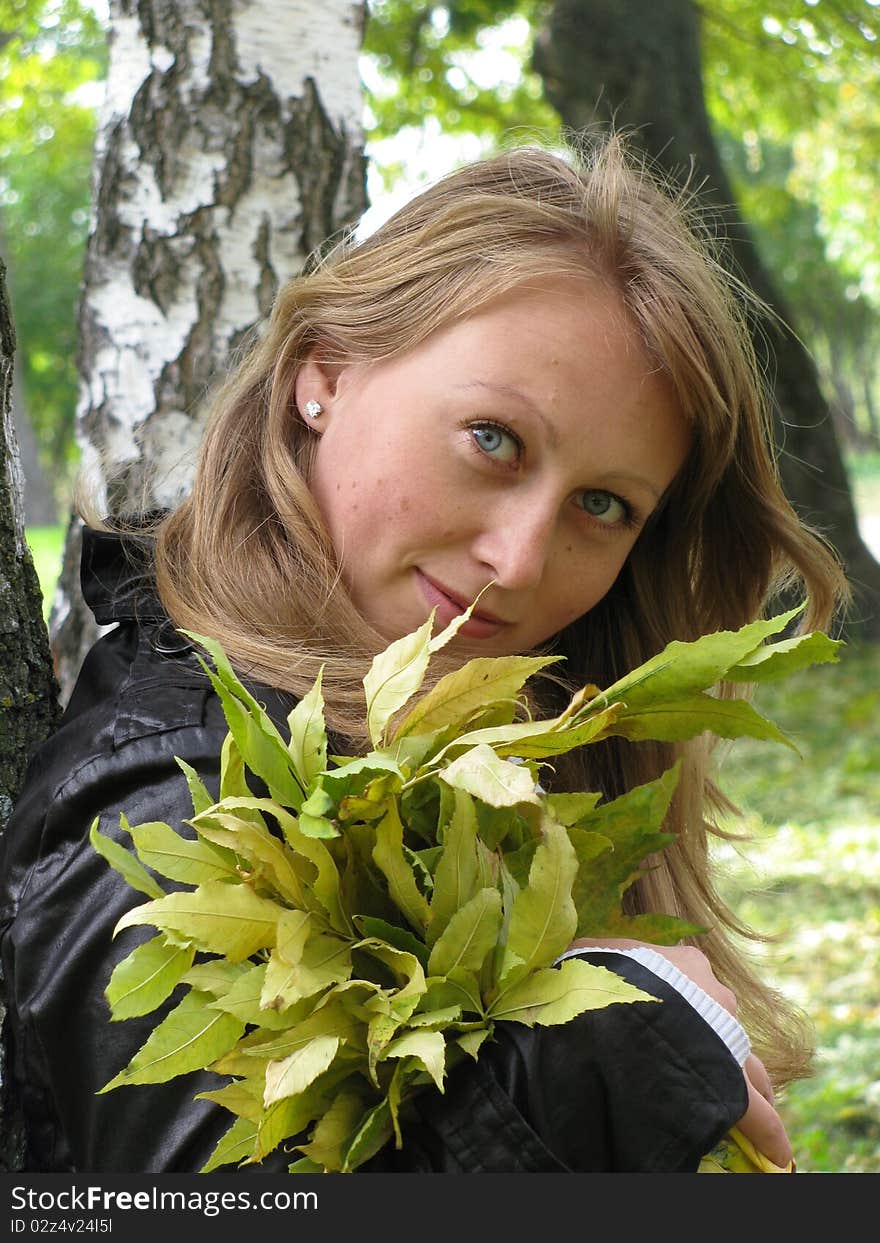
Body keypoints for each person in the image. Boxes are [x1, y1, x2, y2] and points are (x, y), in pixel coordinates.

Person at [0, 130, 849, 1174]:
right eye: (493, 438)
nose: (522, 557)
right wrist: (584, 1066)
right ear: (326, 372)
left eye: (603, 504)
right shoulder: (172, 795)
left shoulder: (523, 769)